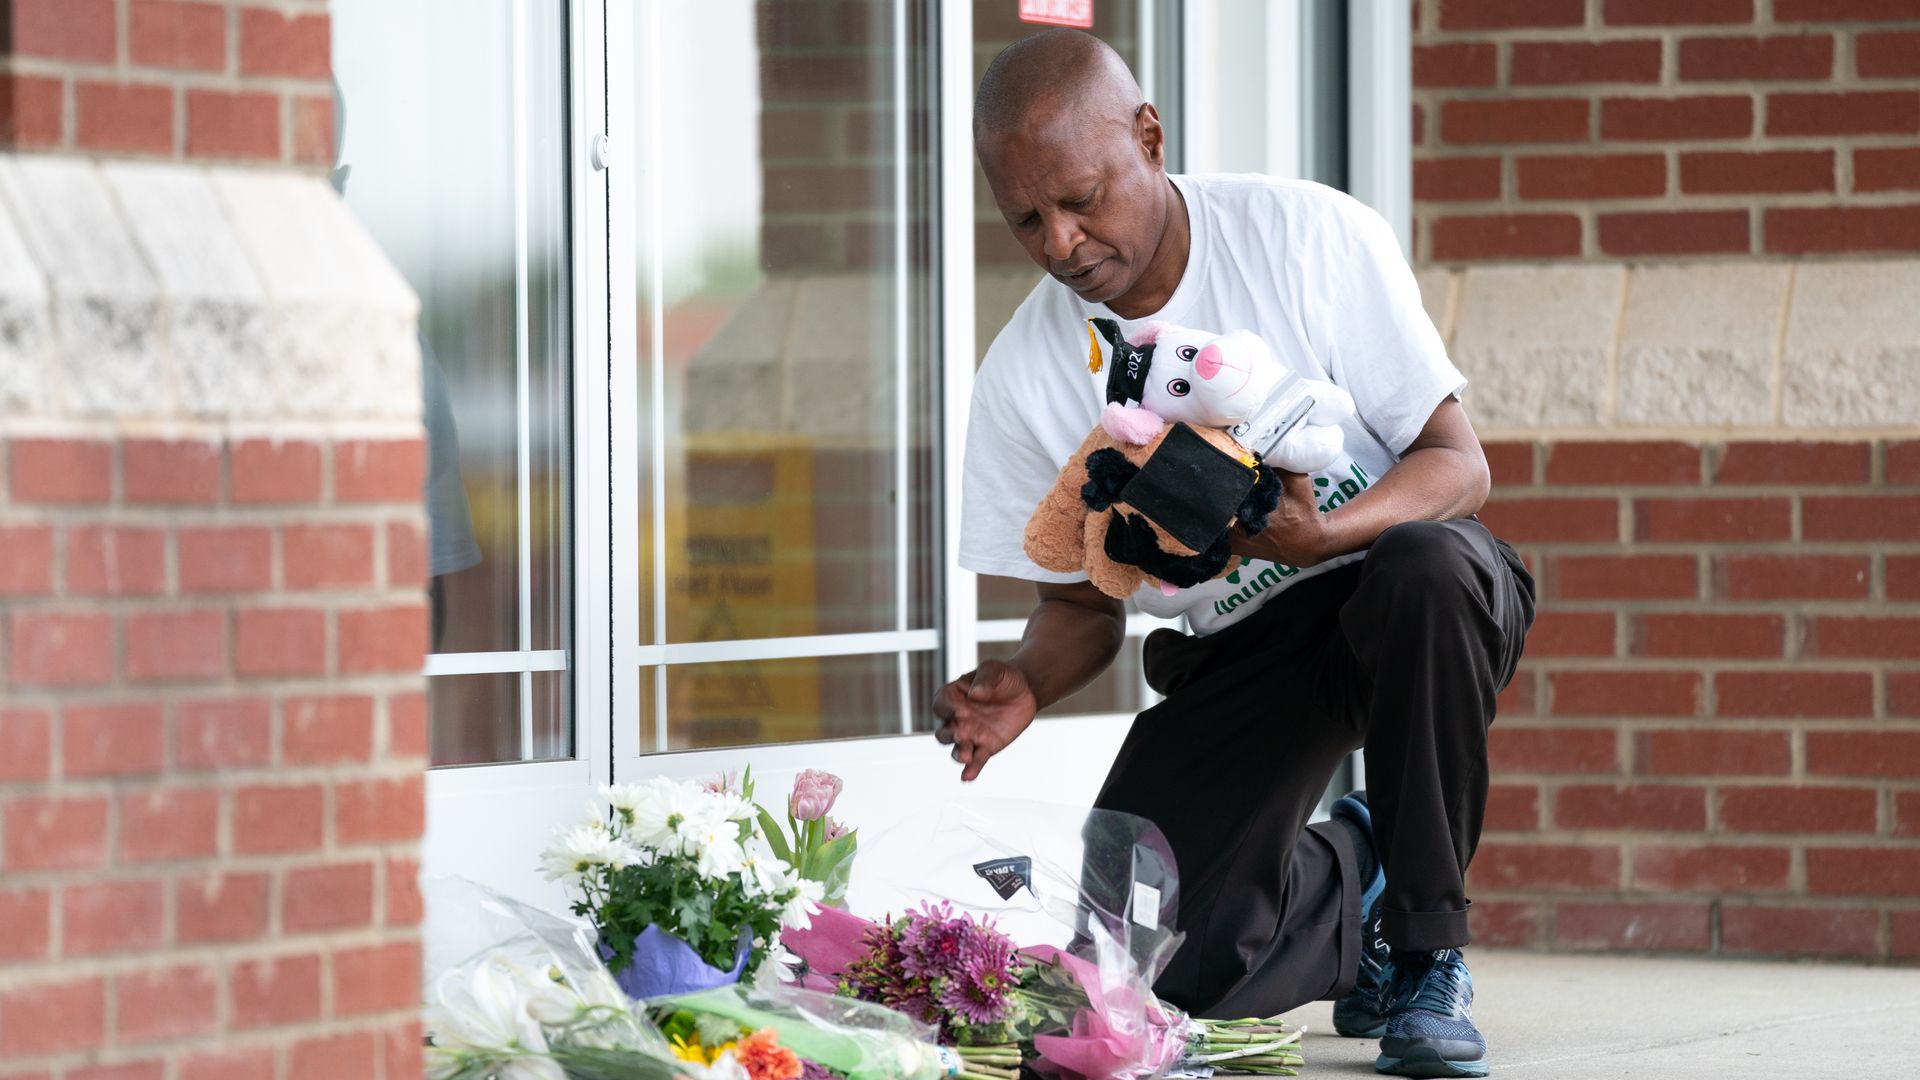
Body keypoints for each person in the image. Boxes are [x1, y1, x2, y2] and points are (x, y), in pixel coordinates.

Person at [932, 30, 1535, 1080]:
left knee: (1427, 572)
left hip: (1403, 585)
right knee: (1151, 958)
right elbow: (1082, 606)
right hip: (1249, 645)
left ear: (1149, 137)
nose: (1062, 241)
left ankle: (1432, 958)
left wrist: (1326, 535)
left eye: (1082, 197)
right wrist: (1026, 681)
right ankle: (1363, 883)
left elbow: (1457, 465)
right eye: (1026, 217)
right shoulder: (1024, 373)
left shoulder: (1307, 234)